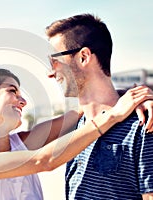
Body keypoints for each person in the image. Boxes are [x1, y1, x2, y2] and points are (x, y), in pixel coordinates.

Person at [0, 66, 153, 200]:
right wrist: (113, 115)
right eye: (12, 91)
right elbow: (43, 161)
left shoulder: (23, 144)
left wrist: (137, 97)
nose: (23, 101)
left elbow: (87, 107)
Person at [46, 13, 153, 199]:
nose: (50, 72)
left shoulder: (144, 123)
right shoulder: (78, 127)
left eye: (54, 61)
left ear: (84, 56)